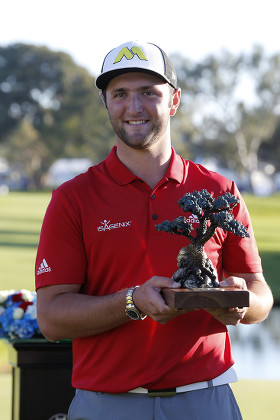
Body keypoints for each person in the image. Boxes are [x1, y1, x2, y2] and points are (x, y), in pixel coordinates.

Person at [35, 41, 273, 420]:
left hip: (205, 400)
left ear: (174, 100)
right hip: (106, 404)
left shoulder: (219, 190)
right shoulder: (72, 198)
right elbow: (51, 319)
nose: (134, 107)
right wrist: (131, 302)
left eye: (149, 92)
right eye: (120, 94)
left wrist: (239, 304)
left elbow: (260, 294)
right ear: (105, 102)